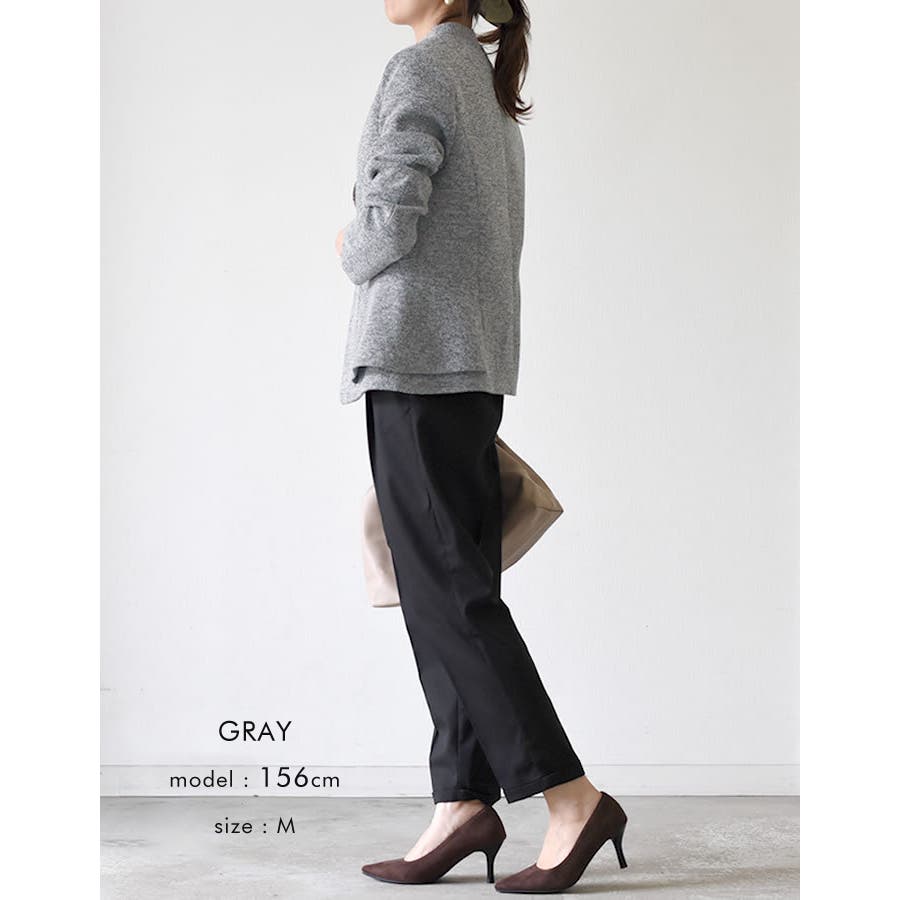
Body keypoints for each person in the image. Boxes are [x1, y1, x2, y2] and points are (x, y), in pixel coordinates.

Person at [335, 2, 629, 892]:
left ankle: (571, 797)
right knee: (454, 588)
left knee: (448, 596)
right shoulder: (484, 83)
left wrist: (350, 243)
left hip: (418, 360)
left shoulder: (422, 69)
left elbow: (390, 221)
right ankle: (462, 800)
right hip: (470, 365)